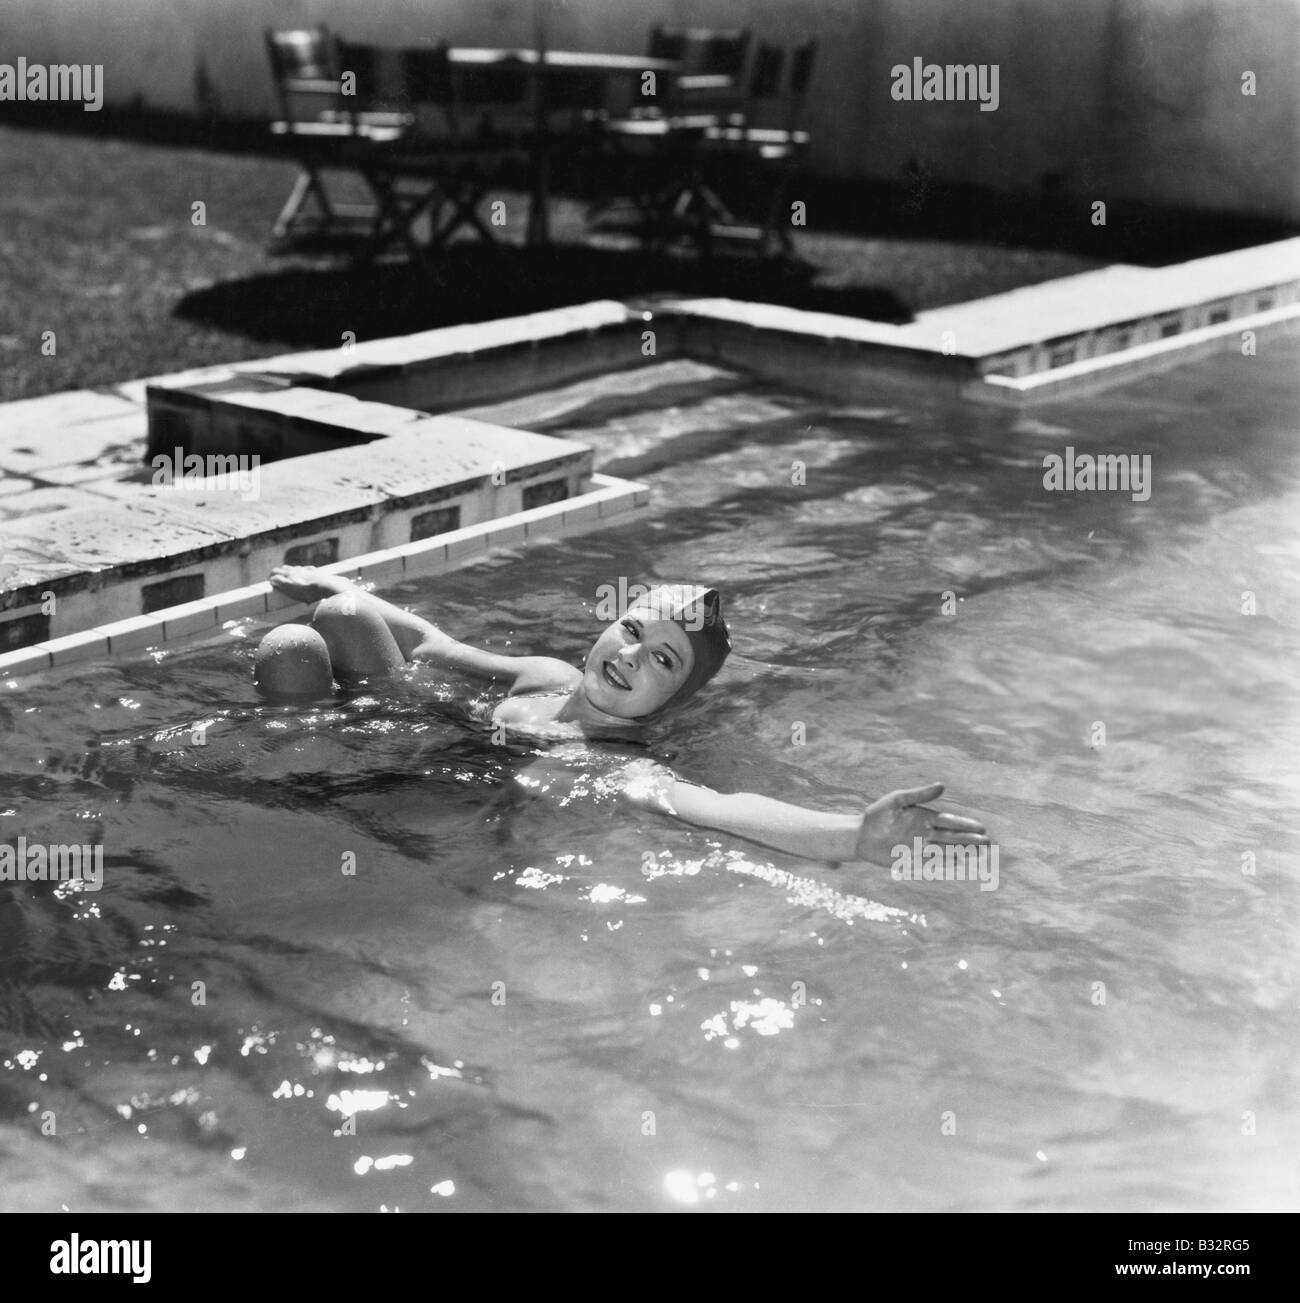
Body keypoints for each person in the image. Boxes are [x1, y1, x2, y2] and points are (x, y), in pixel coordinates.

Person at [254, 565, 990, 867]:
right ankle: (306, 740)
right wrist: (342, 585)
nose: (635, 656)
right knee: (339, 616)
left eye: (663, 661)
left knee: (291, 655)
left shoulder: (619, 761)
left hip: (432, 815)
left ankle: (292, 767)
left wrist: (854, 835)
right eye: (634, 631)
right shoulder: (544, 678)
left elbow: (724, 808)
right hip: (403, 742)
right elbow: (433, 643)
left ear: (673, 701)